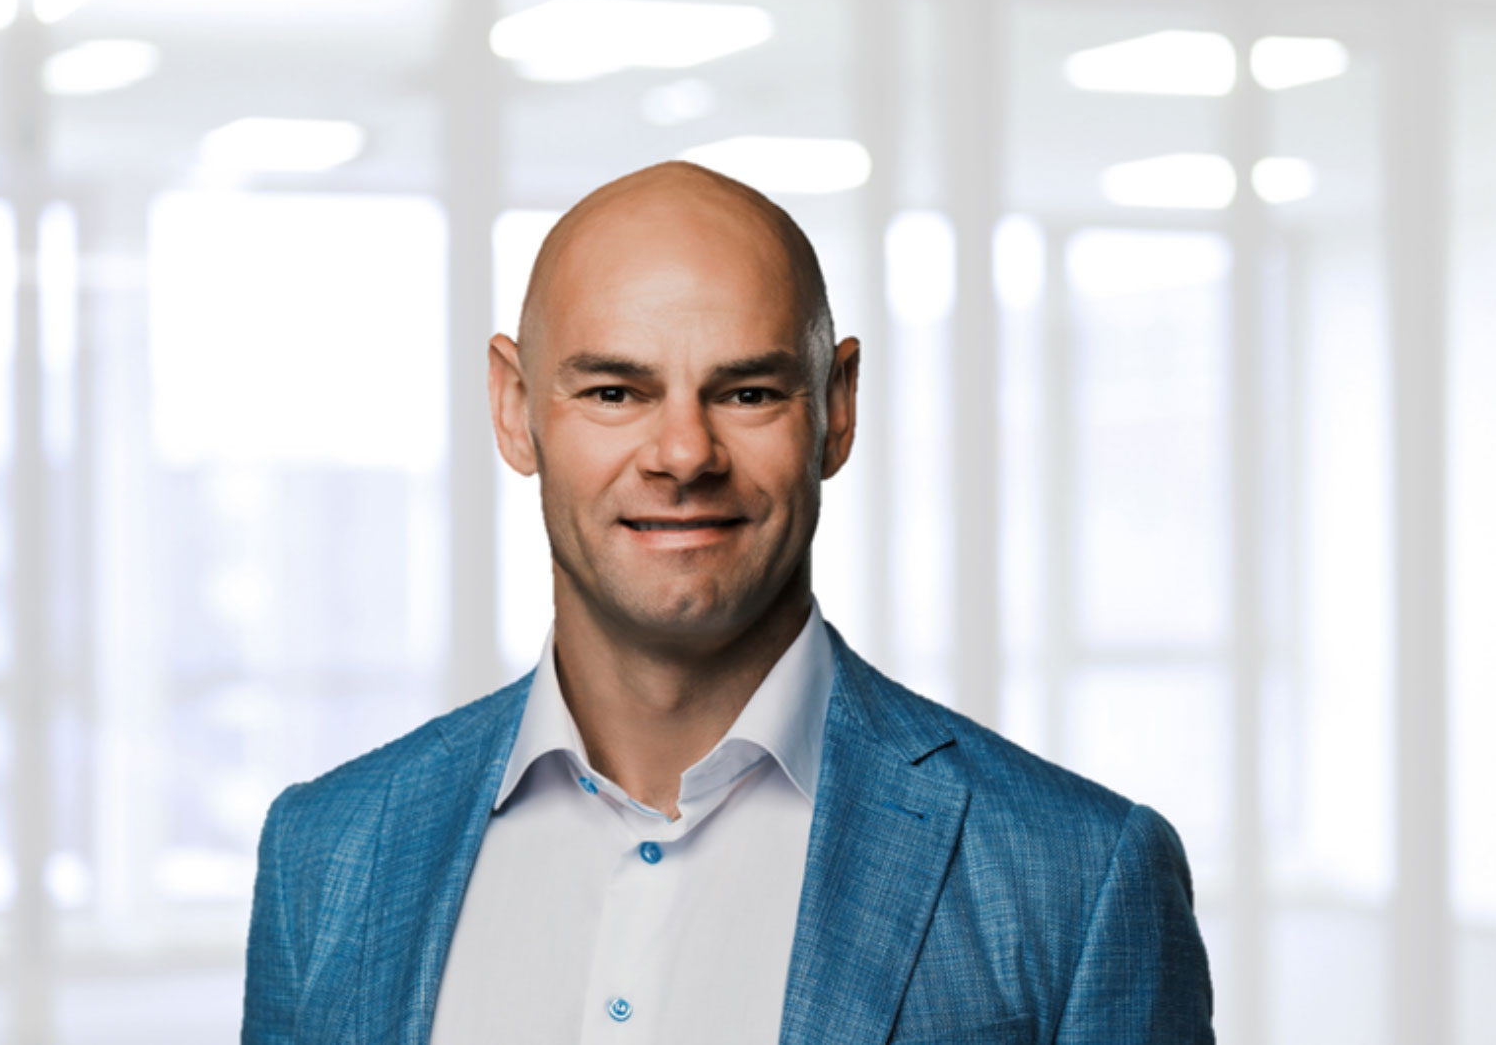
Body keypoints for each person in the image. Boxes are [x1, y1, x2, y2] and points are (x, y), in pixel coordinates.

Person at [241, 161, 1214, 1044]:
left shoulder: (1076, 877)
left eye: (746, 393)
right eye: (616, 392)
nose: (682, 454)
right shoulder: (327, 852)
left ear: (836, 409)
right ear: (513, 406)